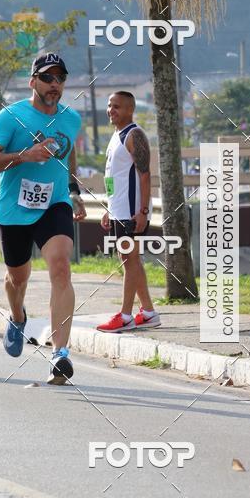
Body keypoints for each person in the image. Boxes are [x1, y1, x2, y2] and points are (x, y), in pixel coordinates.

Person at [0, 52, 86, 385]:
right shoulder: (11, 117)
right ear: (33, 81)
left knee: (61, 266)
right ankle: (17, 316)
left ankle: (60, 354)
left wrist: (73, 190)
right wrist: (23, 156)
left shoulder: (72, 118)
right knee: (17, 279)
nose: (55, 85)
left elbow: (69, 153)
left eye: (61, 79)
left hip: (54, 204)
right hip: (15, 209)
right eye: (48, 78)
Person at [97, 91, 161, 333]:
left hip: (132, 211)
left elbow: (145, 176)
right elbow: (115, 177)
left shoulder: (135, 135)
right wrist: (108, 209)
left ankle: (125, 316)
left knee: (129, 259)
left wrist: (143, 211)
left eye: (117, 107)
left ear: (130, 110)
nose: (111, 110)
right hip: (119, 209)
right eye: (110, 105)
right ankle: (148, 312)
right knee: (129, 260)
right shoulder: (116, 136)